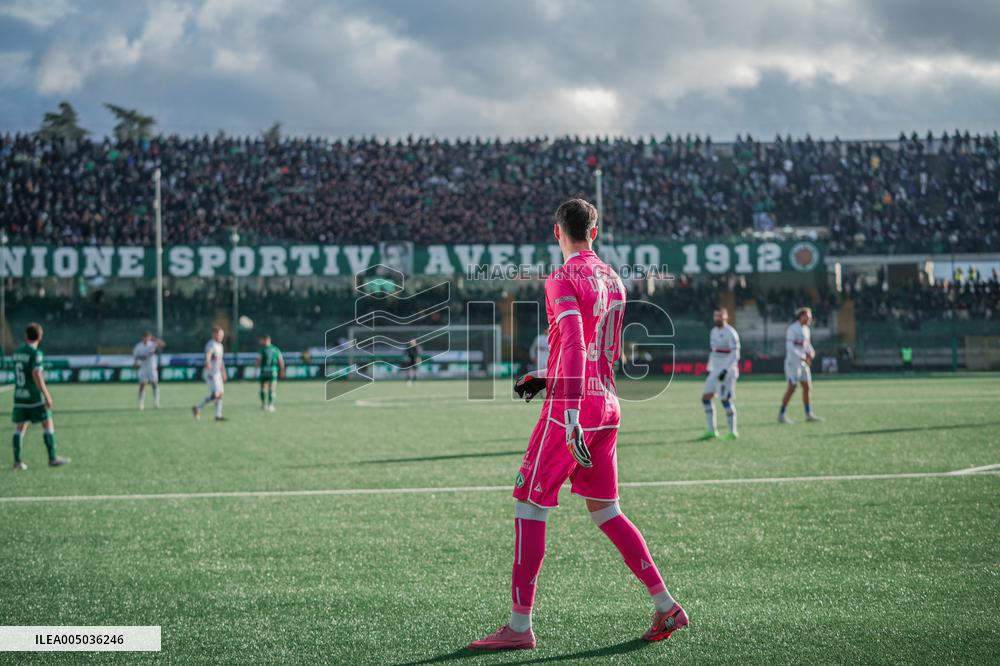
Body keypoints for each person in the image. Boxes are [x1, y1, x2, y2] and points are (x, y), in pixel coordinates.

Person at [468, 199, 687, 652]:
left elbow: (572, 345)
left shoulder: (562, 278)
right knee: (607, 511)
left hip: (575, 410)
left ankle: (518, 625)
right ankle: (666, 604)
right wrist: (547, 380)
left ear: (556, 232)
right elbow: (596, 354)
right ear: (596, 229)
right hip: (607, 403)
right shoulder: (614, 279)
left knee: (529, 504)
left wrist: (566, 411)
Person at [11, 323, 70, 469]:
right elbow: (36, 373)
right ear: (40, 337)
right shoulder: (36, 353)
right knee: (47, 423)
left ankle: (17, 462)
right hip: (34, 397)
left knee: (19, 428)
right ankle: (52, 458)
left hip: (19, 396)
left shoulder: (17, 352)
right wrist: (47, 394)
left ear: (26, 336)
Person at [700, 308, 740, 440]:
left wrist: (725, 370)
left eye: (720, 316)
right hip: (714, 370)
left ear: (726, 317)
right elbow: (713, 352)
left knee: (725, 400)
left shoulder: (731, 333)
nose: (717, 318)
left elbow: (735, 354)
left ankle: (732, 432)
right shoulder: (713, 331)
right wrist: (709, 368)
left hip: (727, 371)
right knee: (706, 398)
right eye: (715, 316)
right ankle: (712, 431)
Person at [779, 307, 823, 423]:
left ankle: (808, 413)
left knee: (807, 387)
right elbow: (790, 348)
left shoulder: (806, 329)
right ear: (801, 316)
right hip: (793, 363)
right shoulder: (792, 329)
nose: (810, 318)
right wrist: (803, 356)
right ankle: (782, 414)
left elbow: (807, 345)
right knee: (792, 387)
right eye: (808, 316)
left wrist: (811, 353)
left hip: (803, 363)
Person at [193, 327, 226, 421]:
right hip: (211, 373)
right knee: (216, 394)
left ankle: (217, 415)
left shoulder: (220, 346)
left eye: (222, 335)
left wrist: (223, 372)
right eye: (220, 335)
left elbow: (220, 360)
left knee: (220, 394)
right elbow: (208, 354)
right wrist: (207, 362)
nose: (221, 336)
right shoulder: (211, 344)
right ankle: (198, 407)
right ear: (214, 334)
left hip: (217, 373)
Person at [132, 332, 166, 410]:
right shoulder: (138, 346)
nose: (146, 339)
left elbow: (163, 344)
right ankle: (141, 404)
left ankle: (156, 402)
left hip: (152, 367)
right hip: (143, 368)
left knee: (154, 384)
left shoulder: (152, 344)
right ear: (142, 338)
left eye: (148, 337)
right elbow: (135, 357)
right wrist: (135, 363)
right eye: (145, 337)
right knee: (142, 385)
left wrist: (155, 339)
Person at [256, 335, 285, 412]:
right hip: (272, 371)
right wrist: (282, 370)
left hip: (264, 371)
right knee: (270, 389)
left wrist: (256, 370)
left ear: (266, 340)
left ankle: (264, 405)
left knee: (264, 388)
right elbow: (281, 360)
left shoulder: (262, 349)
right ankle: (269, 405)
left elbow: (258, 361)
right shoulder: (275, 349)